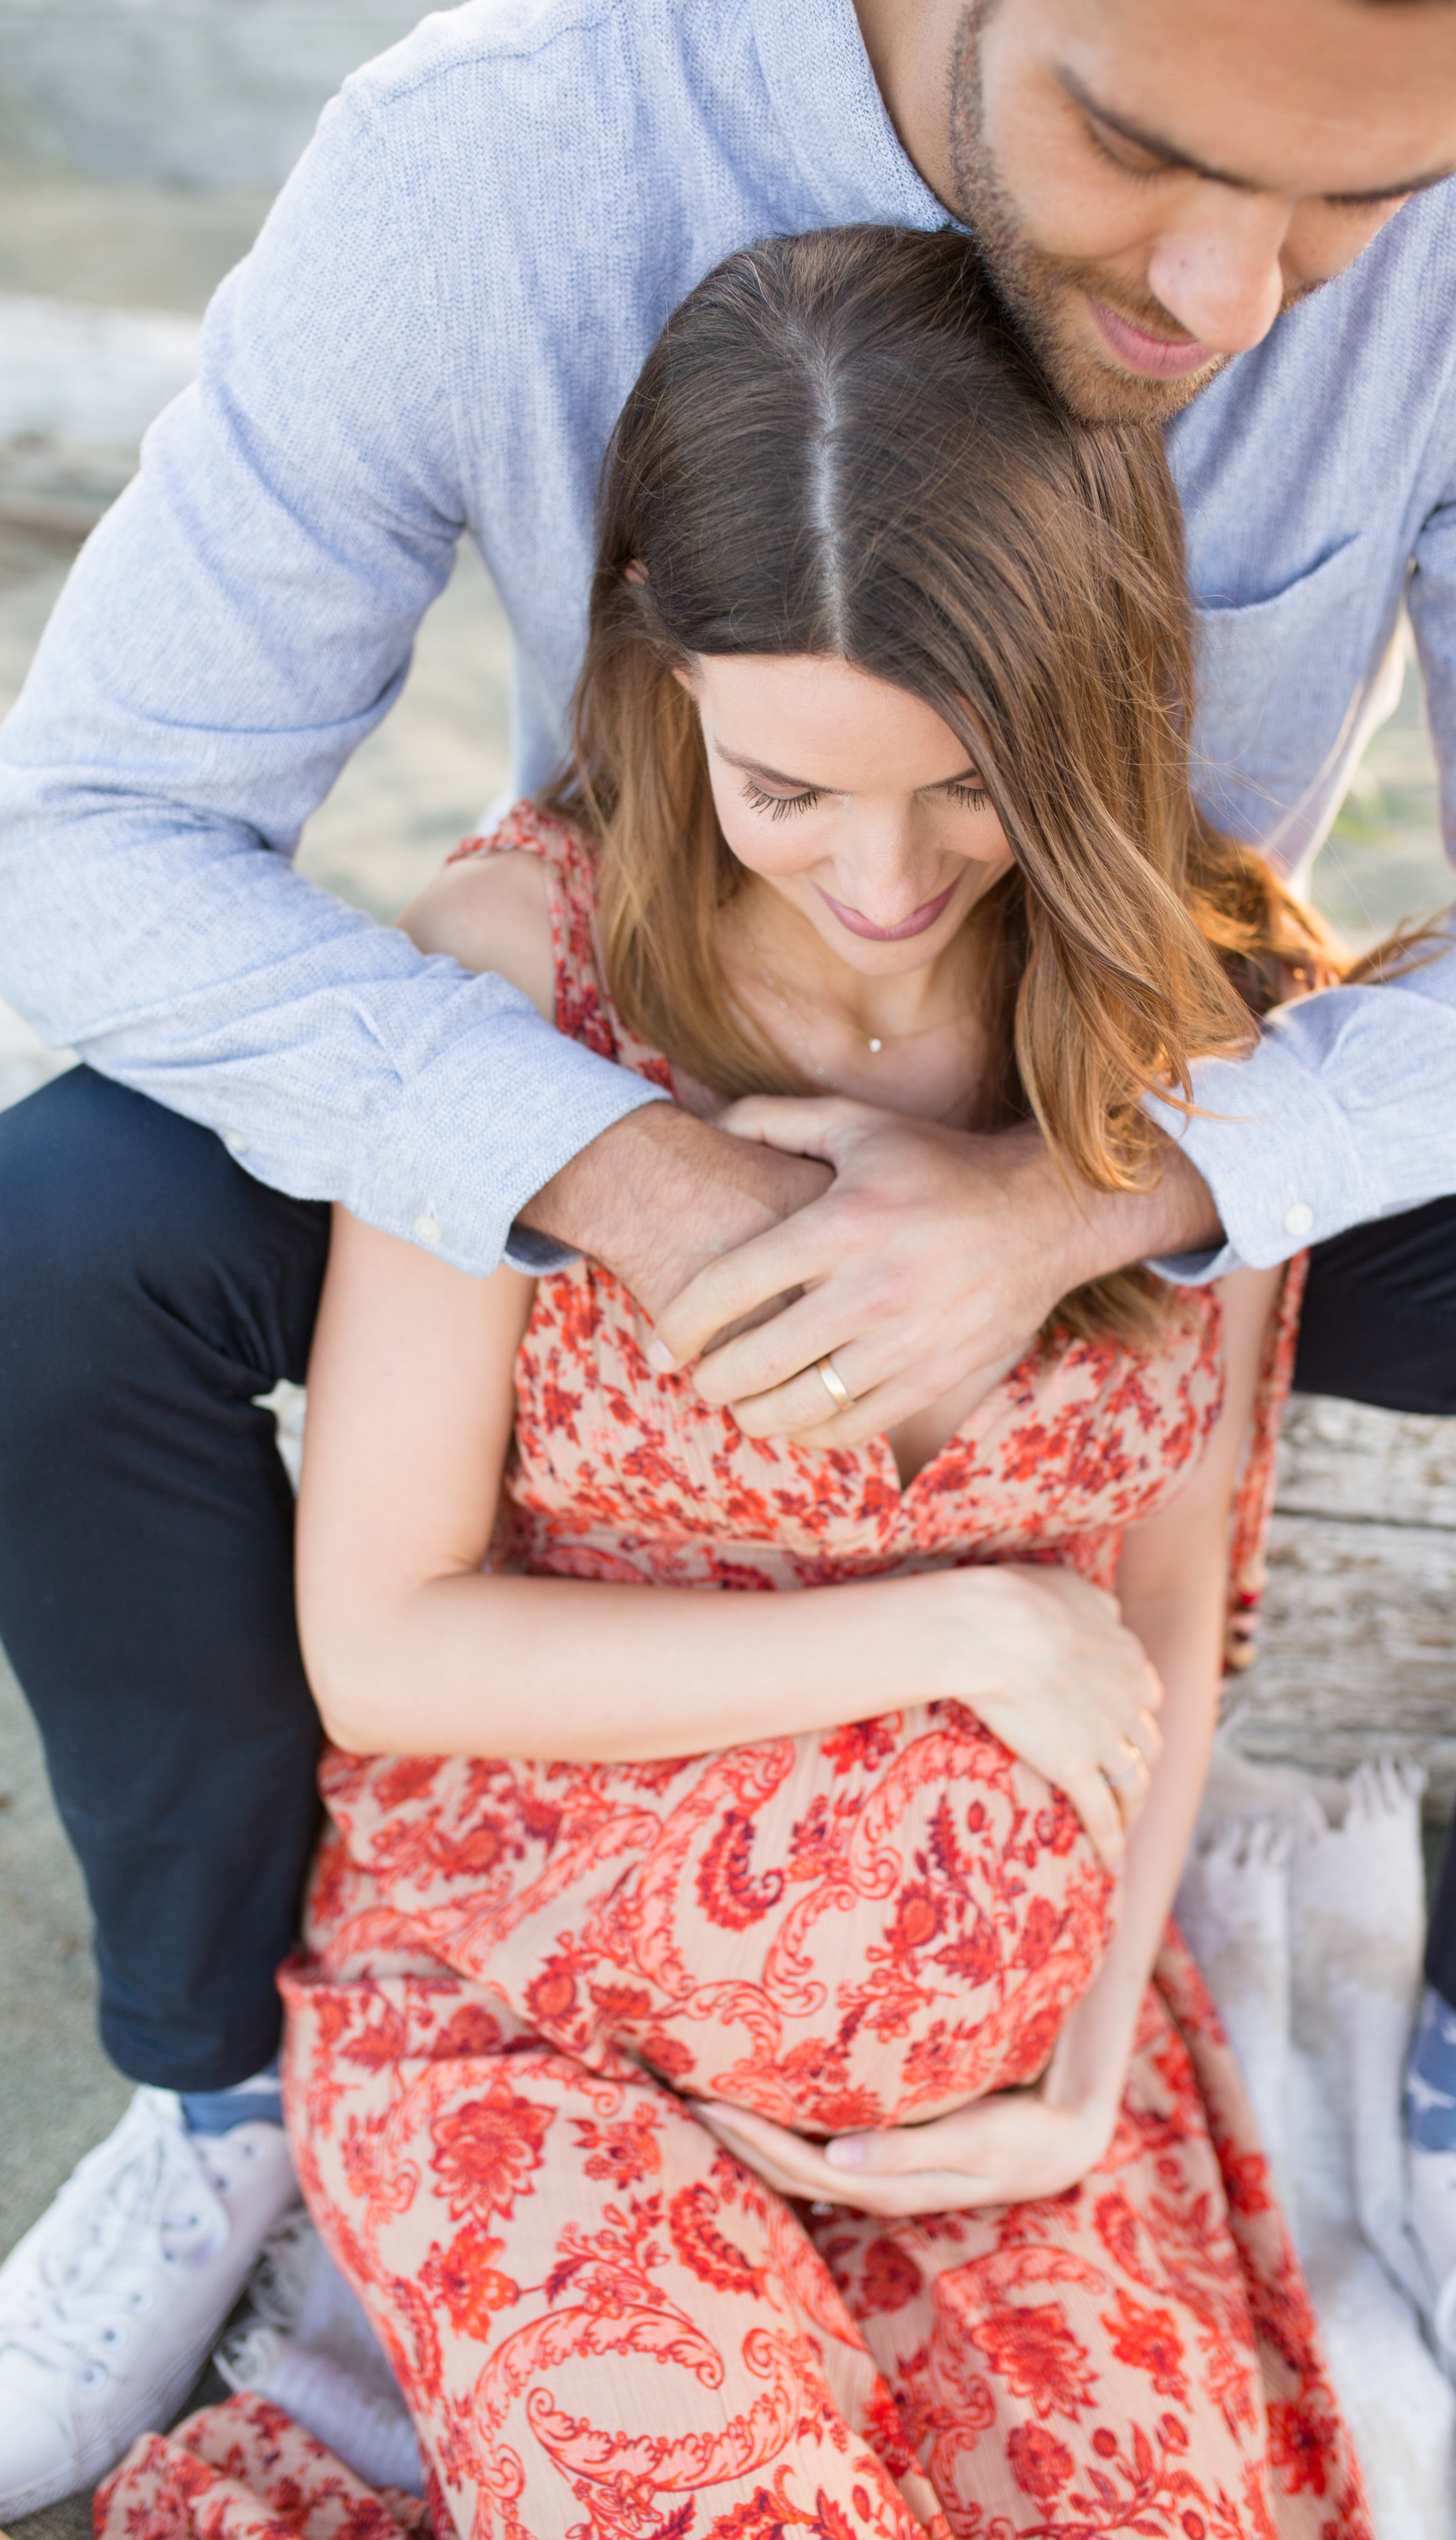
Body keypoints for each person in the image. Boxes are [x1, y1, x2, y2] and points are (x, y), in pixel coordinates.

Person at [0, 0, 1456, 2528]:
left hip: (1148, 1042)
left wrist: (1094, 1195)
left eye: (1354, 214)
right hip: (637, 1041)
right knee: (56, 1241)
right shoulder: (501, 151)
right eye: (1143, 157)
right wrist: (622, 1172)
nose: (1232, 296)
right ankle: (232, 2075)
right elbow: (94, 827)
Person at [98, 219, 1371, 2540]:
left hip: (990, 2091)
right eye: (790, 789)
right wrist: (962, 1621)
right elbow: (382, 1647)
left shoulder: (1200, 1009)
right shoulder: (521, 973)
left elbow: (1178, 1580)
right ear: (656, 673)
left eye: (967, 788)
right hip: (534, 2005)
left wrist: (1082, 2074)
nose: (882, 881)